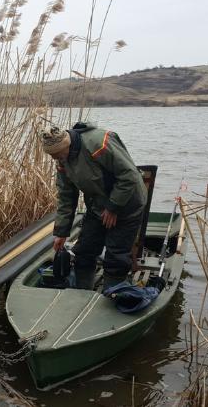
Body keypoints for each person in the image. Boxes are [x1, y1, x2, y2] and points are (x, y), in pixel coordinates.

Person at [40, 123, 146, 290]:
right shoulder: (62, 160)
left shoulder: (99, 143)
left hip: (128, 203)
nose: (55, 159)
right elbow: (66, 197)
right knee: (83, 251)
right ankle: (82, 292)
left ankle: (114, 295)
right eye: (52, 156)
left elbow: (129, 175)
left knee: (116, 257)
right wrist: (61, 232)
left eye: (57, 154)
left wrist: (113, 207)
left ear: (67, 145)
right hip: (98, 205)